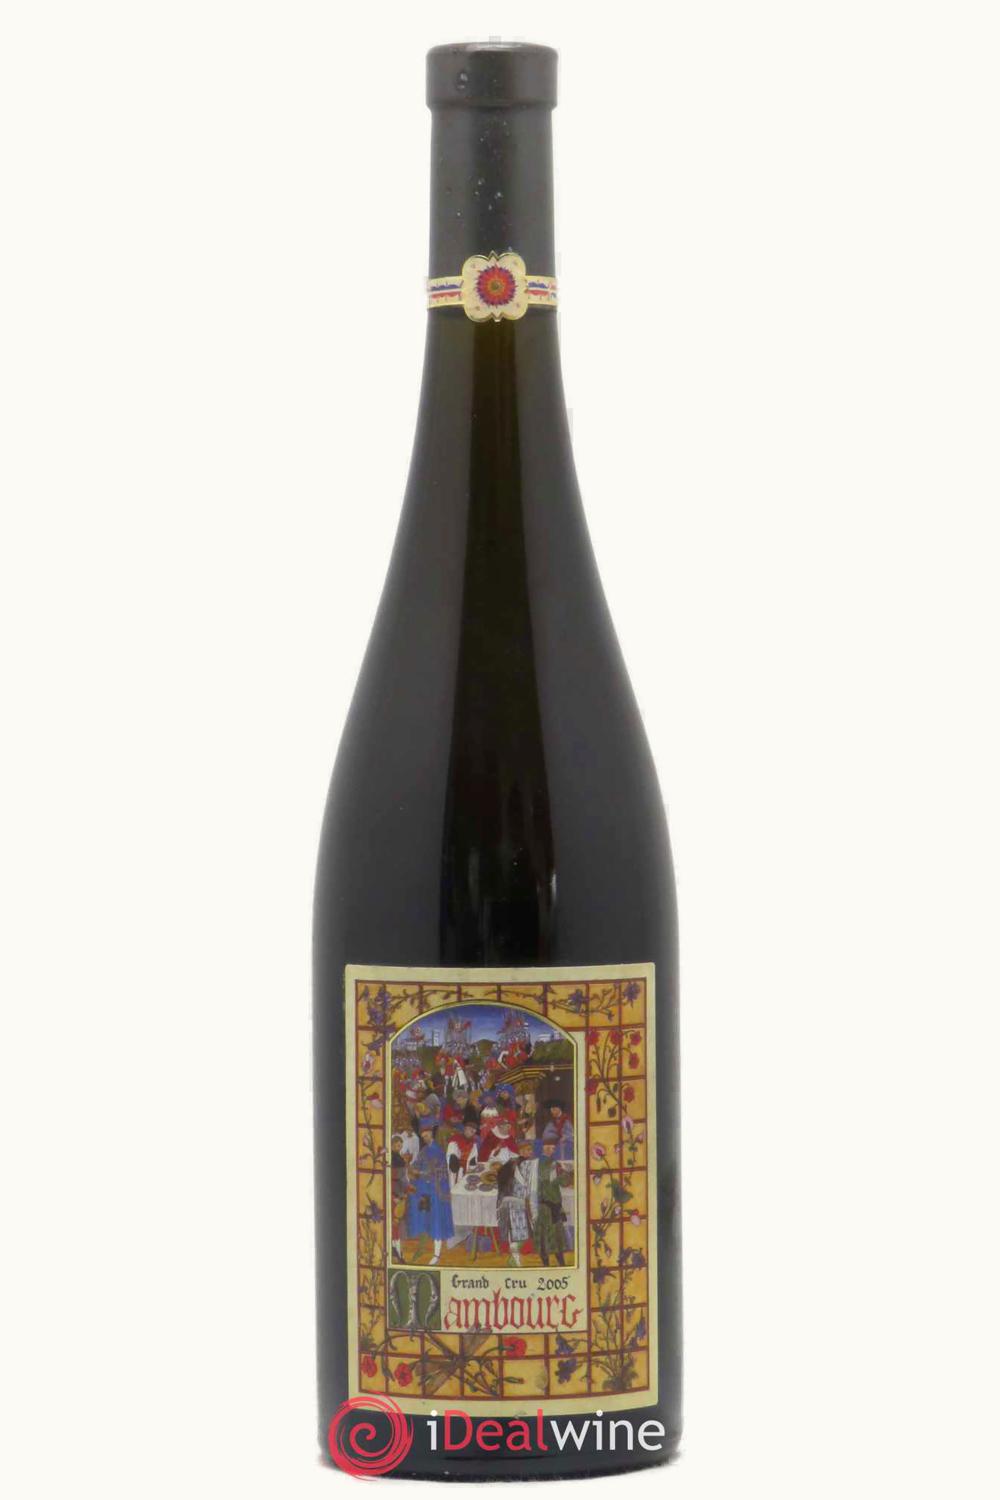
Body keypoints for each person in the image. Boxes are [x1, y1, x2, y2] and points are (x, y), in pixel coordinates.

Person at [405, 1120, 454, 1265]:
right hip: (424, 1190)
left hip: (436, 1191)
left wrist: (419, 1173)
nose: (425, 1138)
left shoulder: (438, 1151)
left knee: (435, 1220)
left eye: (426, 1136)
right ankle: (422, 1247)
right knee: (423, 1216)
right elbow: (417, 1164)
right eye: (423, 1137)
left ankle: (436, 1254)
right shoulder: (424, 1150)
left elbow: (436, 1171)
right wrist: (411, 1168)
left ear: (431, 1135)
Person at [534, 1139, 569, 1265]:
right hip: (548, 1204)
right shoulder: (551, 1164)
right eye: (549, 1147)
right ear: (544, 1148)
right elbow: (563, 1182)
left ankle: (550, 1263)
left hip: (544, 1204)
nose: (551, 1150)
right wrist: (564, 1173)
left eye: (553, 1148)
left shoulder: (536, 1163)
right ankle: (558, 1263)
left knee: (546, 1236)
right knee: (553, 1236)